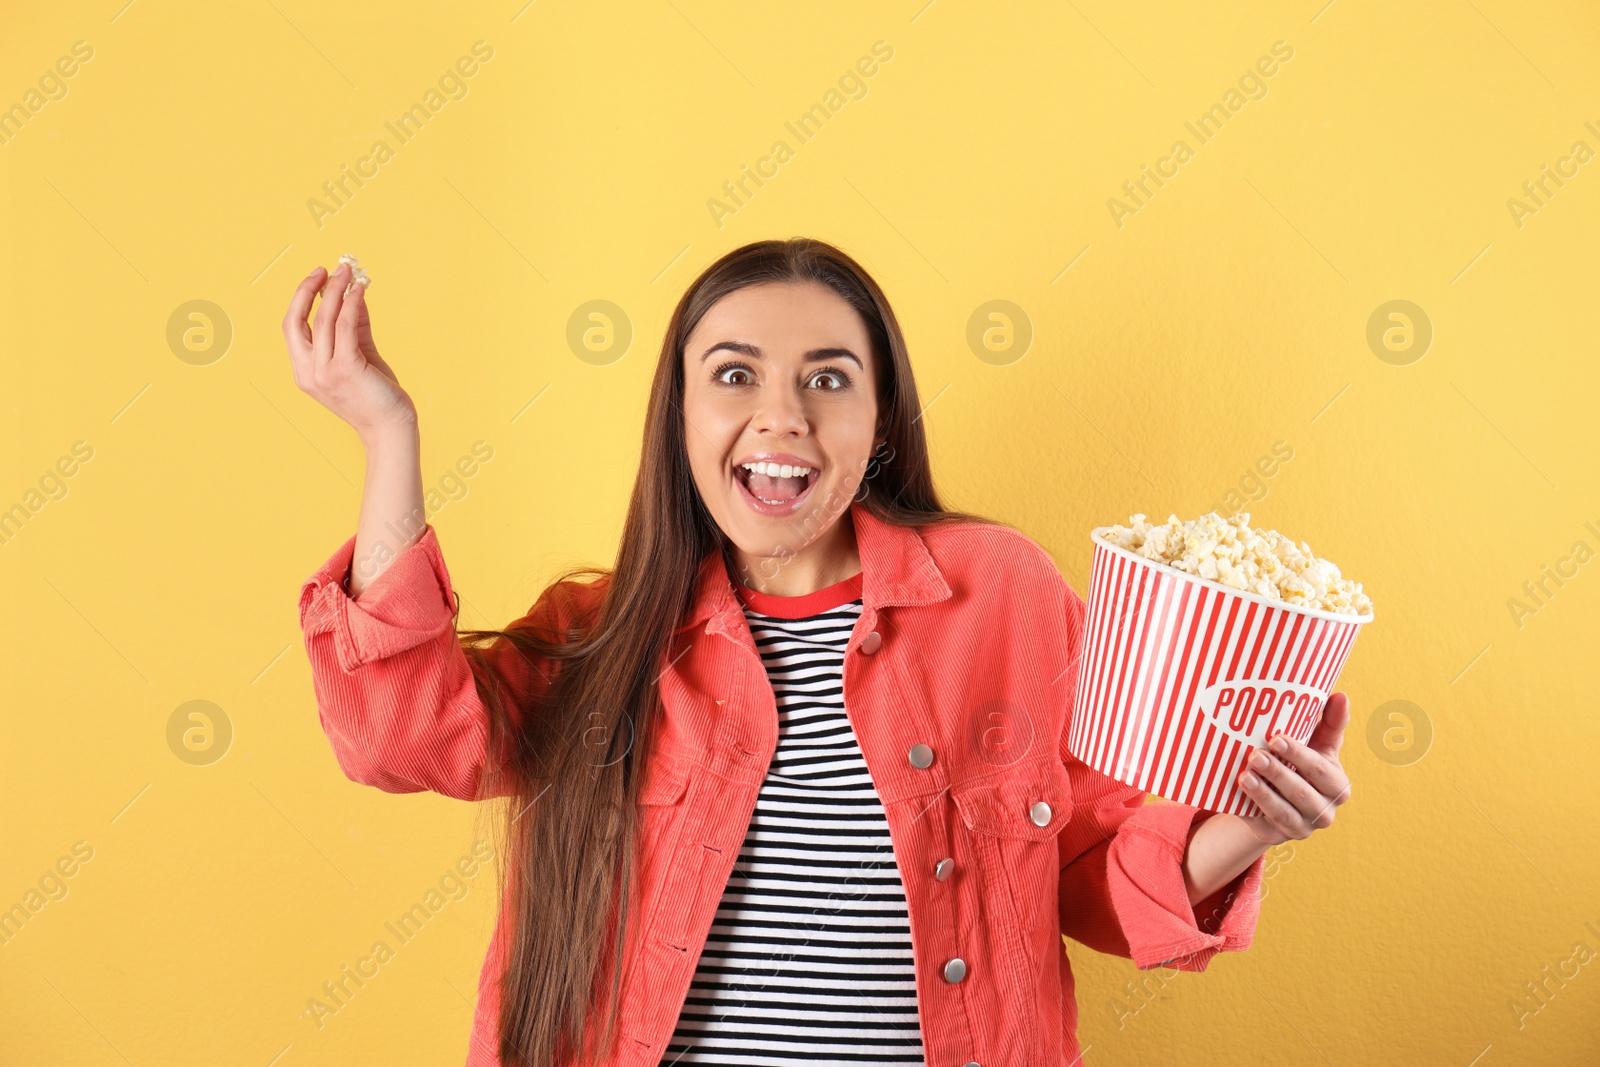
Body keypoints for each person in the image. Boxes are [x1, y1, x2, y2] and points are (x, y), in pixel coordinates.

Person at [282, 238, 1355, 1067]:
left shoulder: (1006, 594)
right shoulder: (600, 636)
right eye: (735, 375)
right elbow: (401, 734)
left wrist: (1240, 828)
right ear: (682, 415)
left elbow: (1082, 874)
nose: (780, 414)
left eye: (829, 378)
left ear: (880, 419)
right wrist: (386, 436)